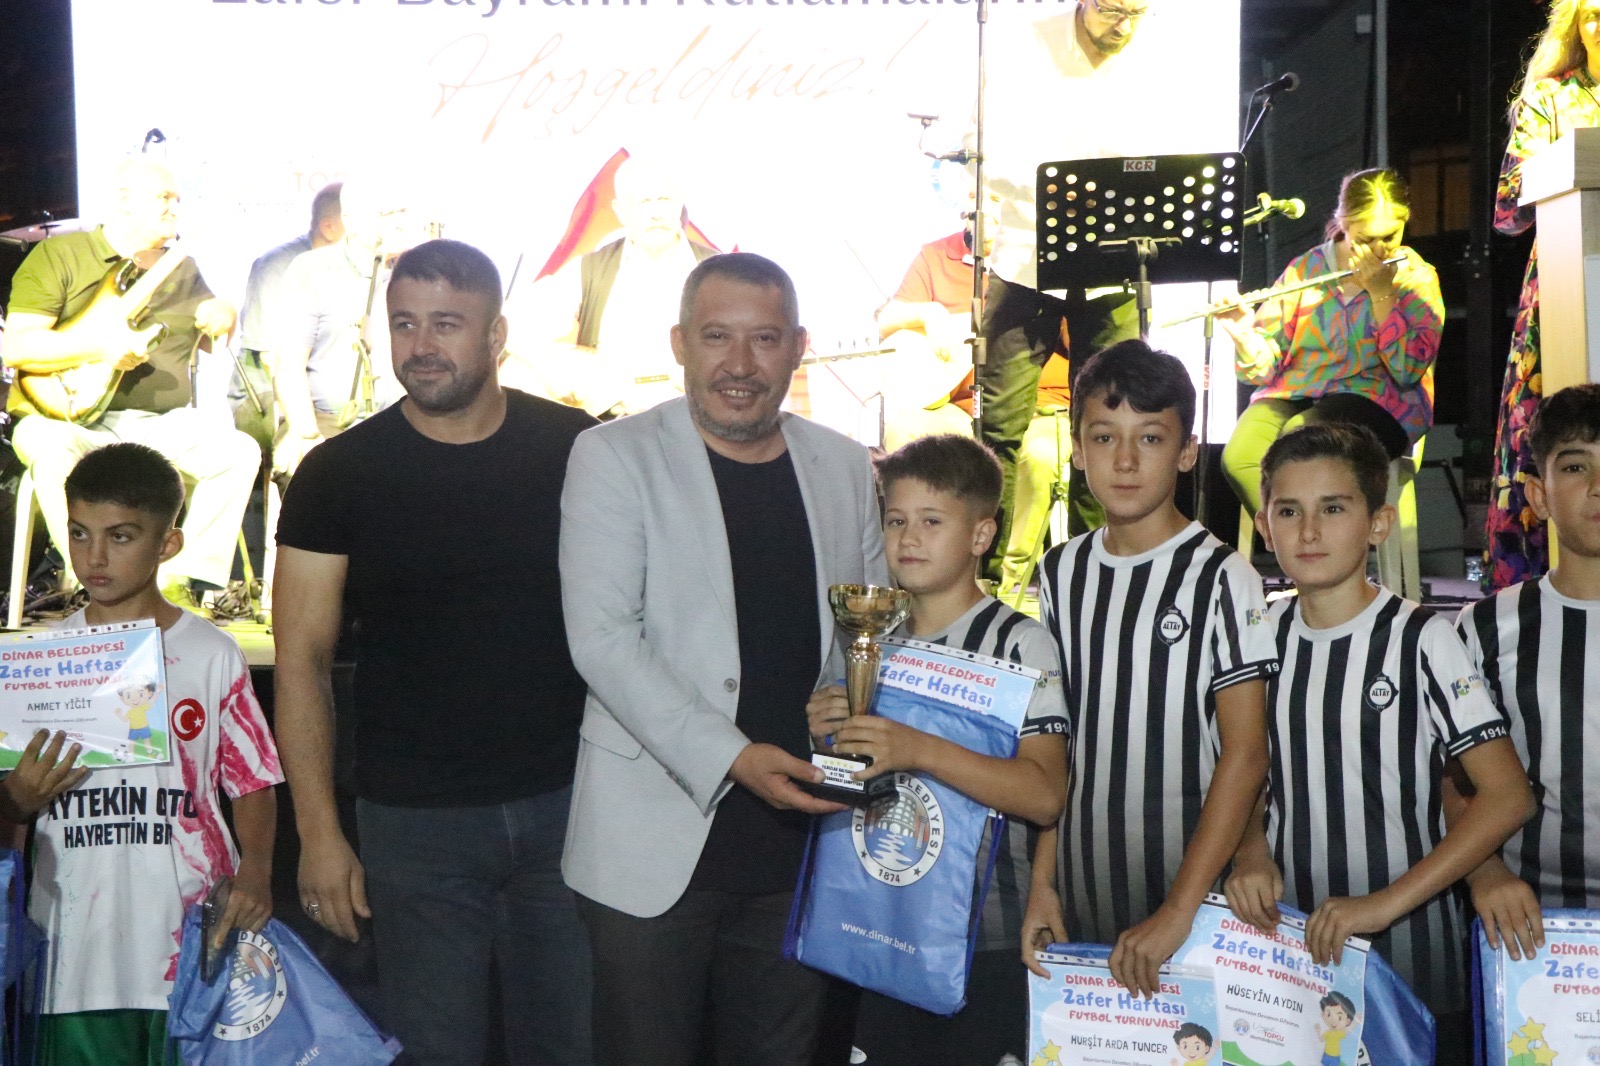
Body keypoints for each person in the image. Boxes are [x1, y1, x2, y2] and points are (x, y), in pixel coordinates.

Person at [273, 239, 597, 1065]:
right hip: (414, 825)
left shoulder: (579, 449)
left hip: (569, 807)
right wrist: (317, 833)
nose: (421, 345)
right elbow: (300, 663)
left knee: (571, 1048)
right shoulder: (337, 474)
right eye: (405, 323)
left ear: (497, 335)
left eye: (446, 324)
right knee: (436, 1052)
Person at [559, 252, 886, 1066]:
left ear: (799, 347)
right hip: (651, 848)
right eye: (716, 337)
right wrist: (733, 758)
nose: (740, 364)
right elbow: (603, 640)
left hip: (800, 846)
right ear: (679, 343)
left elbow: (874, 631)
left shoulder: (845, 464)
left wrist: (853, 701)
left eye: (764, 339)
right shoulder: (613, 456)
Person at [1222, 423, 1532, 1059]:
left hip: (1413, 955)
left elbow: (1508, 796)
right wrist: (1250, 848)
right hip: (1289, 952)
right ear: (1264, 526)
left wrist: (1381, 906)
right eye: (1290, 511)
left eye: (1333, 509)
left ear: (1379, 524)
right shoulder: (1258, 637)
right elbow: (1246, 768)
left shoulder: (1424, 638)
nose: (1309, 531)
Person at [1022, 340, 1278, 999]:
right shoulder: (1061, 571)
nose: (1126, 460)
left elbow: (1247, 753)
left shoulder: (1222, 574)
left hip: (1188, 903)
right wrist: (1042, 883)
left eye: (1151, 438)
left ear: (1187, 451)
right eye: (1105, 437)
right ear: (1078, 450)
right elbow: (1056, 743)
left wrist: (1178, 911)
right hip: (1080, 889)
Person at [805, 434, 1067, 1066]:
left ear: (981, 535)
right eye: (896, 520)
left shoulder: (1020, 644)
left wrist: (917, 748)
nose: (908, 539)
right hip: (877, 923)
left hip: (987, 933)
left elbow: (1044, 795)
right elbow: (845, 788)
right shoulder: (867, 637)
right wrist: (825, 740)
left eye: (931, 521)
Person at [31, 441, 281, 1065]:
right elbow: (13, 806)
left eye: (120, 537)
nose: (94, 557)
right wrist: (16, 798)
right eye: (80, 533)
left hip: (188, 936)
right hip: (73, 947)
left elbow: (252, 780)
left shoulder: (211, 652)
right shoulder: (41, 662)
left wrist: (255, 873)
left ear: (168, 543)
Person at [3, 157, 260, 617]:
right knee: (51, 450)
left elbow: (209, 336)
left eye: (177, 200)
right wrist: (101, 349)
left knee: (237, 452)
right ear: (123, 199)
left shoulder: (181, 267)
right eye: (163, 198)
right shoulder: (62, 255)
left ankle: (174, 584)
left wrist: (225, 314)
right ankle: (90, 584)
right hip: (65, 420)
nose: (174, 208)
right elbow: (17, 348)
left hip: (158, 424)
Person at [1456, 384, 1600, 959]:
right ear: (1539, 495)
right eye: (1576, 466)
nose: (1598, 485)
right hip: (1527, 926)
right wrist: (1484, 871)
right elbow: (1449, 779)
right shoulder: (1485, 628)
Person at [875, 210, 1087, 590]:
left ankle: (1003, 581)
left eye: (999, 200)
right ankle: (916, 575)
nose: (988, 209)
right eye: (981, 198)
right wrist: (929, 313)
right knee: (906, 430)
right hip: (960, 403)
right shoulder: (937, 255)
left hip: (1041, 406)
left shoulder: (1042, 258)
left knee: (1038, 456)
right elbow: (887, 318)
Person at [1217, 168, 1444, 515]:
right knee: (1240, 457)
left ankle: (1314, 541)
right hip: (1296, 391)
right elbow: (1263, 370)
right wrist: (1243, 335)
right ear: (1344, 224)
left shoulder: (1416, 277)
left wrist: (1381, 294)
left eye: (1390, 236)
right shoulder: (1306, 269)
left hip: (1378, 400)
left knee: (1303, 440)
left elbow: (1406, 370)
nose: (1380, 249)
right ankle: (1289, 539)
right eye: (1366, 239)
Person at [1487, 0, 1600, 590]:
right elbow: (1509, 207)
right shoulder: (1552, 96)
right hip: (1565, 280)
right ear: (1576, 25)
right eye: (1594, 14)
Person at [509, 158, 717, 417]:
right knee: (517, 372)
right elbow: (513, 326)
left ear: (679, 204)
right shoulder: (593, 268)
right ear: (621, 212)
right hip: (610, 419)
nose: (655, 213)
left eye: (664, 200)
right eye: (644, 202)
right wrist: (567, 373)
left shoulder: (720, 272)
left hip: (693, 415)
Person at [269, 179, 416, 478]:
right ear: (350, 220)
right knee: (315, 473)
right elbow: (289, 367)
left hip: (408, 422)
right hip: (330, 423)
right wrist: (307, 436)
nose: (400, 224)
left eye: (403, 212)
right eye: (388, 214)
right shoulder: (312, 270)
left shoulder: (422, 272)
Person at [230, 181, 344, 448]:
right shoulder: (278, 266)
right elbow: (273, 358)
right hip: (267, 394)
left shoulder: (356, 269)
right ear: (329, 227)